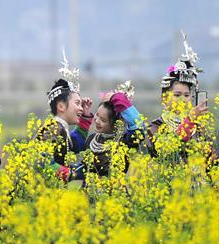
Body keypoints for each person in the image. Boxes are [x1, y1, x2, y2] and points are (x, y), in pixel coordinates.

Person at [145, 32, 212, 163]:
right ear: (164, 98)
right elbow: (166, 153)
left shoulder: (198, 127)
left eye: (187, 95)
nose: (183, 99)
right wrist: (189, 121)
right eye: (177, 95)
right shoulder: (155, 127)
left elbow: (211, 163)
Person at [35, 50, 92, 182]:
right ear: (61, 106)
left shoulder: (60, 127)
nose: (80, 107)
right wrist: (72, 174)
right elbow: (42, 162)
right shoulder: (52, 128)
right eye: (77, 103)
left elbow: (75, 145)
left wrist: (85, 116)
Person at [82, 81, 143, 179]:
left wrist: (116, 98)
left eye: (103, 120)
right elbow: (83, 170)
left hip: (115, 193)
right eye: (97, 114)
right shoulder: (92, 139)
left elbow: (137, 123)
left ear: (116, 124)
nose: (97, 120)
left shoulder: (124, 142)